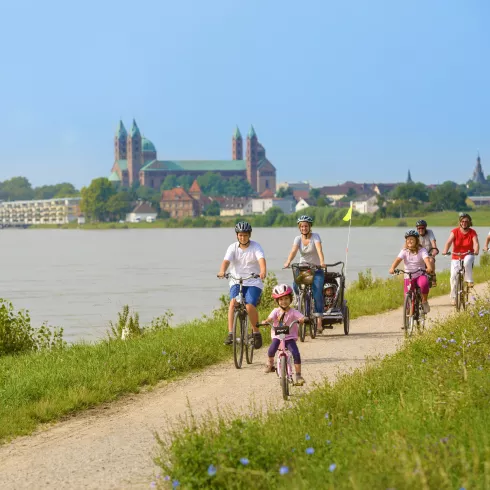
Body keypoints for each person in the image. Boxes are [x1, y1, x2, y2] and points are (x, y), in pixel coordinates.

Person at [218, 221, 266, 347]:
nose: (242, 237)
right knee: (233, 303)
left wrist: (262, 271)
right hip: (236, 280)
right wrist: (222, 271)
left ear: (249, 235)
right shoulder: (232, 247)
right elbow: (226, 261)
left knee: (249, 305)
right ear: (237, 236)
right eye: (240, 235)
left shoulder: (256, 246)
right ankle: (231, 333)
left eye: (245, 235)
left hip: (253, 281)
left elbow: (261, 260)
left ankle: (256, 333)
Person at [283, 215, 326, 334]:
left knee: (317, 293)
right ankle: (300, 300)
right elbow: (293, 251)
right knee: (296, 286)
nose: (304, 228)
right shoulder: (297, 239)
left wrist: (322, 262)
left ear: (310, 227)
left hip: (316, 269)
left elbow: (319, 250)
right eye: (301, 226)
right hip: (304, 269)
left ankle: (319, 322)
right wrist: (288, 261)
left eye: (306, 226)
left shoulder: (315, 237)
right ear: (299, 227)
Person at [261, 284, 306, 386]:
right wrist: (266, 321)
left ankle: (298, 375)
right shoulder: (276, 311)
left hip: (289, 337)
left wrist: (302, 319)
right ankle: (270, 364)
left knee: (295, 353)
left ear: (290, 299)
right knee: (271, 349)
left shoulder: (293, 312)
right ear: (277, 301)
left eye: (286, 298)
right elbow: (270, 318)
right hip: (277, 336)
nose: (284, 301)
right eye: (281, 299)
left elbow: (301, 317)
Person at [389, 230, 433, 314]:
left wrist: (429, 267)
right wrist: (392, 267)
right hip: (408, 276)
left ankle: (424, 301)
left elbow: (426, 259)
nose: (410, 241)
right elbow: (398, 259)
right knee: (407, 295)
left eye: (412, 239)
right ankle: (407, 320)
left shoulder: (422, 250)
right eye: (408, 239)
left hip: (420, 274)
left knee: (424, 284)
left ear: (416, 240)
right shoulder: (404, 251)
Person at [441, 213, 479, 306]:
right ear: (460, 222)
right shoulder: (455, 231)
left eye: (466, 221)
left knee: (467, 262)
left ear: (469, 222)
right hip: (456, 256)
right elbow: (449, 242)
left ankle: (469, 280)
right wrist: (445, 250)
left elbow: (476, 243)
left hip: (469, 254)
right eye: (462, 221)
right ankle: (453, 297)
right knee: (453, 277)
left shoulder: (472, 232)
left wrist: (476, 250)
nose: (464, 223)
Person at [415, 219, 439, 286]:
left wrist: (435, 250)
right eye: (419, 228)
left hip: (429, 254)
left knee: (430, 260)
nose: (420, 229)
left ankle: (433, 276)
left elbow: (433, 242)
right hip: (420, 255)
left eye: (422, 228)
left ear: (425, 228)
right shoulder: (415, 235)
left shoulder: (429, 232)